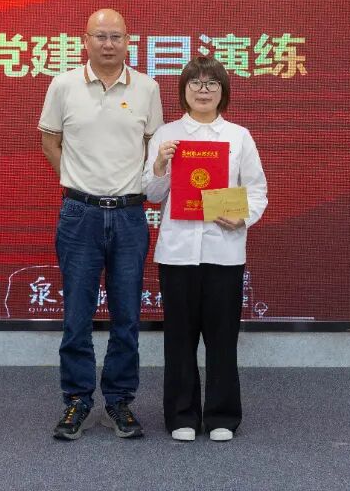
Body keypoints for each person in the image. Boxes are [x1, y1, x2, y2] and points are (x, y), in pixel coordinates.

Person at [39, 8, 164, 440]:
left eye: (116, 37)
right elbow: (50, 141)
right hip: (80, 215)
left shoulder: (147, 88)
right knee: (77, 314)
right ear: (85, 40)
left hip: (130, 215)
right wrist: (78, 180)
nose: (108, 44)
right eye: (100, 36)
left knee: (127, 314)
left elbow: (154, 147)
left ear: (129, 41)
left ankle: (119, 401)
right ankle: (76, 400)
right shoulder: (63, 85)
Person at [142, 55, 267, 442]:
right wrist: (160, 165)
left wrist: (242, 217)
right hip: (177, 252)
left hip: (224, 251)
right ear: (183, 90)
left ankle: (221, 416)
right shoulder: (166, 135)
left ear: (222, 91)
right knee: (179, 339)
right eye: (195, 83)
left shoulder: (238, 136)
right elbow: (151, 193)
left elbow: (257, 190)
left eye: (211, 83)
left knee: (222, 338)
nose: (203, 90)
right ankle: (181, 415)